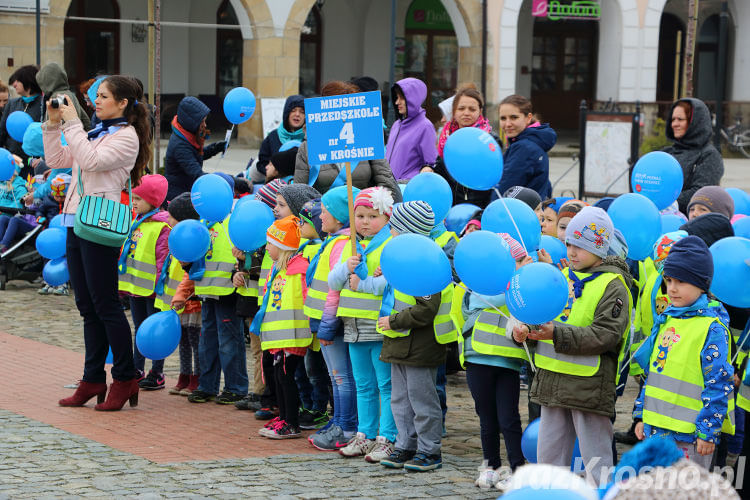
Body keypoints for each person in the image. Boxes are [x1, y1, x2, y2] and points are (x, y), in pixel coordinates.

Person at [48, 75, 151, 411]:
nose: (97, 101)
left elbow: (91, 161)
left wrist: (74, 122)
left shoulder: (126, 137)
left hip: (99, 224)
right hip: (75, 219)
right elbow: (57, 160)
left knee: (105, 304)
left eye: (104, 96)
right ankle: (92, 378)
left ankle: (125, 376)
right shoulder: (96, 132)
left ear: (122, 103)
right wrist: (52, 126)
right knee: (87, 307)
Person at [512, 206, 633, 487]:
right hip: (553, 382)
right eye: (569, 244)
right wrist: (525, 331)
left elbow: (605, 335)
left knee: (596, 462)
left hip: (588, 387)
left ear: (600, 249)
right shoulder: (564, 276)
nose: (572, 252)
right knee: (549, 458)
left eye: (581, 246)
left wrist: (555, 334)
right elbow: (544, 316)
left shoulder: (614, 285)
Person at [632, 236, 734, 470]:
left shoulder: (712, 328)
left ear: (701, 284)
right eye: (668, 280)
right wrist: (641, 414)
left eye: (681, 281)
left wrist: (708, 431)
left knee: (687, 491)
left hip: (689, 436)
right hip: (656, 429)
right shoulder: (667, 319)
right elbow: (654, 372)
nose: (672, 288)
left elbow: (719, 383)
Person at [329, 186, 398, 462]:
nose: (365, 222)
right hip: (353, 327)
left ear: (386, 217)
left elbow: (389, 282)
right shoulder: (351, 244)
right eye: (360, 216)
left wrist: (365, 283)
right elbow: (334, 282)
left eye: (372, 216)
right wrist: (346, 267)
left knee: (385, 385)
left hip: (377, 325)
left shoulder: (390, 243)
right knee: (363, 384)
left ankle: (388, 437)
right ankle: (365, 434)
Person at [377, 201, 445, 472]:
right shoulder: (403, 260)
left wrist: (393, 321)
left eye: (394, 228)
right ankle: (405, 445)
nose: (390, 232)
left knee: (422, 399)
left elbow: (426, 309)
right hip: (399, 343)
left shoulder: (425, 262)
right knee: (401, 400)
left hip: (420, 346)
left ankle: (430, 451)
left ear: (406, 231)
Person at [461, 234, 529, 489]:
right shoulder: (482, 285)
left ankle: (517, 468)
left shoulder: (520, 285)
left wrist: (522, 276)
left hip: (507, 360)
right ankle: (491, 465)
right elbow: (490, 298)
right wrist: (518, 278)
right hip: (478, 357)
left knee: (509, 418)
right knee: (487, 417)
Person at [186, 174, 248, 405]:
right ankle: (207, 384)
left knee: (229, 341)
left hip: (227, 291)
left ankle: (236, 386)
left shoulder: (234, 223)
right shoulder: (203, 224)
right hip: (206, 290)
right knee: (207, 340)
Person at [307, 186, 360, 450]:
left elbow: (334, 291)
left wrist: (327, 327)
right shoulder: (333, 241)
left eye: (326, 212)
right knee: (335, 374)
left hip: (332, 322)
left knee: (341, 376)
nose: (321, 217)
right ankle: (338, 420)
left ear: (339, 217)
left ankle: (346, 426)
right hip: (323, 320)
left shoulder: (341, 244)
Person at [251, 215, 311, 439]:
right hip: (278, 336)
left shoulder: (298, 269)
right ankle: (284, 417)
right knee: (278, 376)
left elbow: (306, 298)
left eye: (270, 244)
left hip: (293, 335)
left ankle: (291, 422)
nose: (267, 248)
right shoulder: (279, 270)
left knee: (286, 378)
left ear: (282, 246)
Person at [294, 81, 401, 201]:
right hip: (323, 215)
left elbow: (387, 186)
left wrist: (370, 212)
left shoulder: (367, 139)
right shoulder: (308, 147)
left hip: (362, 214)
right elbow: (299, 194)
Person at [117, 174, 171, 390]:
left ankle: (157, 371)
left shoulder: (161, 226)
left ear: (152, 201)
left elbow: (162, 260)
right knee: (139, 328)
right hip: (135, 287)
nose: (134, 202)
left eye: (138, 199)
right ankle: (137, 369)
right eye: (134, 198)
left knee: (154, 330)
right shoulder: (136, 221)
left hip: (153, 290)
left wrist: (160, 287)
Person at [152, 192, 202, 396]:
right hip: (177, 299)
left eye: (171, 215)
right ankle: (183, 374)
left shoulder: (190, 240)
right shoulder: (174, 237)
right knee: (183, 340)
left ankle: (196, 378)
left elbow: (189, 272)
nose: (167, 217)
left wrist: (181, 294)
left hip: (191, 299)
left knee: (194, 340)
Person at [430, 84, 495, 207]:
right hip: (450, 205)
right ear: (454, 111)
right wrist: (429, 168)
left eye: (472, 109)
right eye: (461, 108)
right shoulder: (447, 137)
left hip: (479, 206)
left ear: (480, 111)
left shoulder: (488, 139)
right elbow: (440, 166)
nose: (466, 113)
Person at [663, 98, 724, 215]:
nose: (674, 124)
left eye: (680, 119)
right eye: (673, 119)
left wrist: (664, 201)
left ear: (695, 122)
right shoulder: (666, 152)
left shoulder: (709, 155)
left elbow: (700, 194)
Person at [164, 96, 226, 201]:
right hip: (177, 197)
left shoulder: (186, 135)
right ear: (191, 122)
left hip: (184, 191)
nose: (205, 125)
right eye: (202, 122)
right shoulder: (180, 145)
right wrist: (227, 181)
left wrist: (214, 148)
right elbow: (196, 172)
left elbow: (195, 156)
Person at [496, 95, 555, 199]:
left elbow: (505, 190)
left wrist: (489, 211)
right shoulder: (533, 140)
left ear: (528, 118)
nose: (507, 124)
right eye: (503, 118)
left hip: (517, 212)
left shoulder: (524, 147)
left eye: (514, 117)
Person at [385, 77, 438, 182]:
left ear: (414, 98)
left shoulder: (425, 126)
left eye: (402, 98)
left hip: (407, 187)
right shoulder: (396, 125)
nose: (397, 102)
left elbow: (430, 164)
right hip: (389, 187)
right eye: (396, 97)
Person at [254, 94, 305, 182]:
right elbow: (262, 163)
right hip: (275, 185)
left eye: (302, 112)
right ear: (287, 113)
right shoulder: (273, 136)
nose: (297, 114)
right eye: (293, 110)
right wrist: (274, 172)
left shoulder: (310, 138)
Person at [0, 66, 43, 165]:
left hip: (34, 163)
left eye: (18, 81)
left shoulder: (43, 105)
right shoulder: (12, 103)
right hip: (12, 161)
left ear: (27, 81)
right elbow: (2, 131)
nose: (14, 85)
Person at [36, 63, 91, 131]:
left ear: (47, 82)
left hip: (61, 139)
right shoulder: (70, 94)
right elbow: (86, 121)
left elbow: (52, 126)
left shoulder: (57, 98)